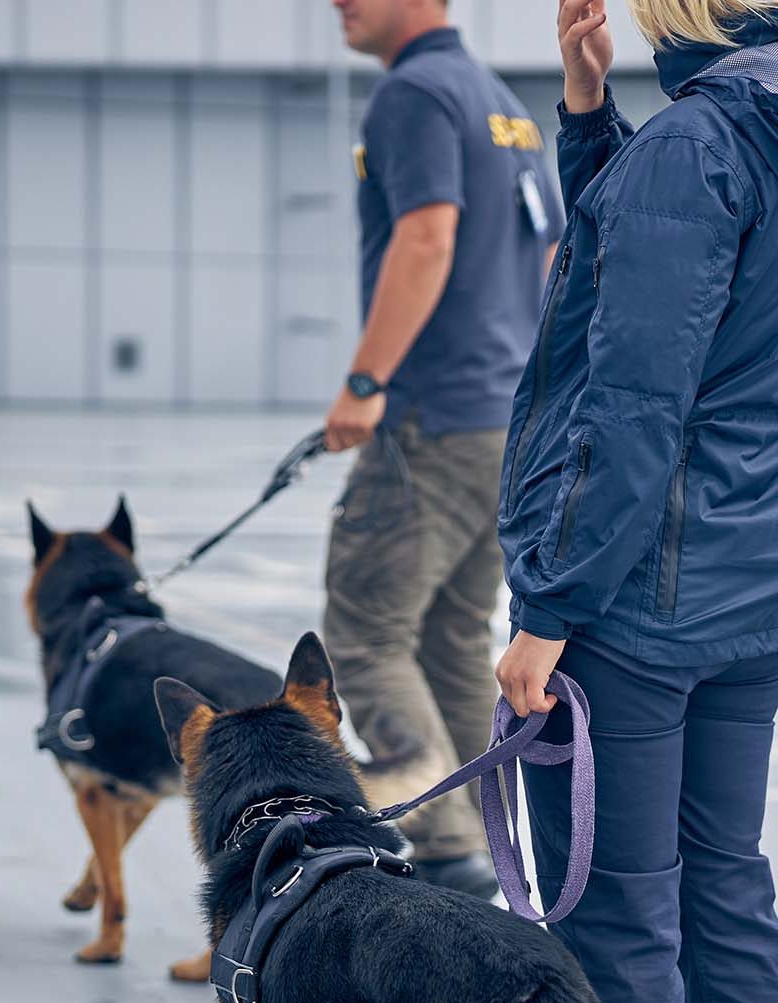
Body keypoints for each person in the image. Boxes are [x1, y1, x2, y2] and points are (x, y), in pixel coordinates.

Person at [493, 0, 778, 1003]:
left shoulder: (705, 142)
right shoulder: (719, 137)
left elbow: (633, 396)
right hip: (753, 591)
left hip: (642, 607)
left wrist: (549, 609)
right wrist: (592, 115)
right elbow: (689, 300)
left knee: (623, 938)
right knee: (729, 903)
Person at [324, 0, 563, 899]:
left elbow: (426, 237)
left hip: (432, 416)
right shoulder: (500, 102)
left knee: (365, 630)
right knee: (450, 635)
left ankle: (441, 844)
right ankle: (484, 843)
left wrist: (364, 380)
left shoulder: (414, 93)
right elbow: (549, 263)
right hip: (503, 414)